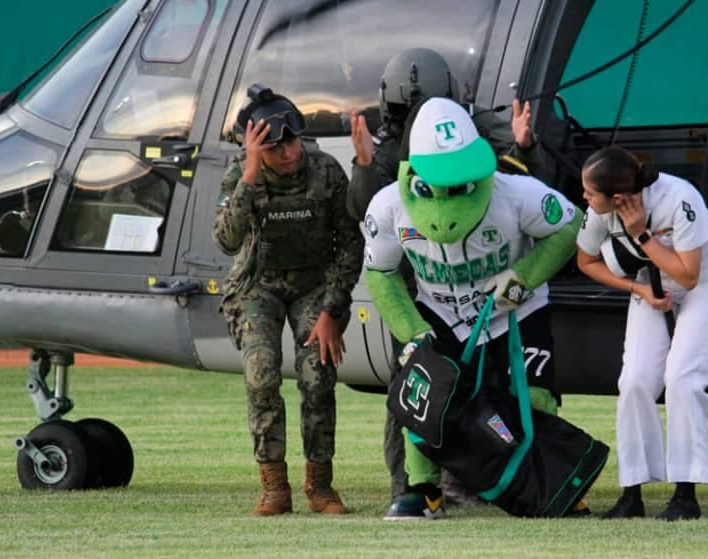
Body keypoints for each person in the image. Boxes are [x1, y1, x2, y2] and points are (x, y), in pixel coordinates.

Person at [345, 47, 545, 514]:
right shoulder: (385, 147)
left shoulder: (482, 134)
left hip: (483, 285)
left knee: (489, 388)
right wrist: (362, 164)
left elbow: (524, 191)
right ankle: (413, 485)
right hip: (422, 291)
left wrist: (524, 147)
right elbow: (364, 212)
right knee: (416, 390)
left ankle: (487, 479)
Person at [362, 97, 581, 520]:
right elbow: (381, 273)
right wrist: (410, 329)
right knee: (422, 398)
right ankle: (423, 491)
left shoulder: (516, 193)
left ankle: (550, 486)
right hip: (439, 310)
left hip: (515, 310)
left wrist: (523, 277)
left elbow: (569, 225)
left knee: (533, 396)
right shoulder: (387, 206)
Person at [213, 86, 362, 517]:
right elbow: (225, 241)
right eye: (275, 147)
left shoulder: (326, 171)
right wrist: (250, 173)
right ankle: (274, 487)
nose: (289, 153)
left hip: (314, 286)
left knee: (318, 376)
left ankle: (321, 486)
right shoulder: (241, 173)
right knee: (261, 376)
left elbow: (350, 245)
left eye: (292, 141)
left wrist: (333, 309)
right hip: (257, 286)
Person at [575, 146, 708, 521]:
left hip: (706, 284)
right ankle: (632, 494)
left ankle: (686, 495)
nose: (584, 197)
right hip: (650, 283)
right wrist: (638, 289)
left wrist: (641, 235)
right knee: (633, 381)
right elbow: (585, 261)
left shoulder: (679, 198)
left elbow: (688, 275)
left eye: (589, 192)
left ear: (618, 197)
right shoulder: (601, 210)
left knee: (682, 379)